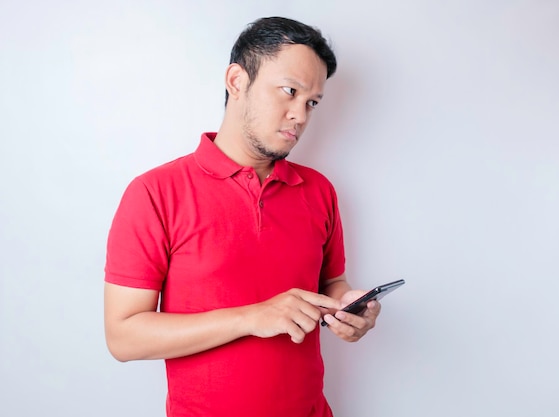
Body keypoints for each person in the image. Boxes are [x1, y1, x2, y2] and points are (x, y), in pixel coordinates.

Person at [104, 16, 381, 417]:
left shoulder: (319, 191)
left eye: (312, 102)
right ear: (237, 80)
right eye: (289, 91)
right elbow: (123, 337)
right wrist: (252, 317)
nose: (300, 115)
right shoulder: (154, 192)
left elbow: (331, 283)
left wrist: (350, 306)